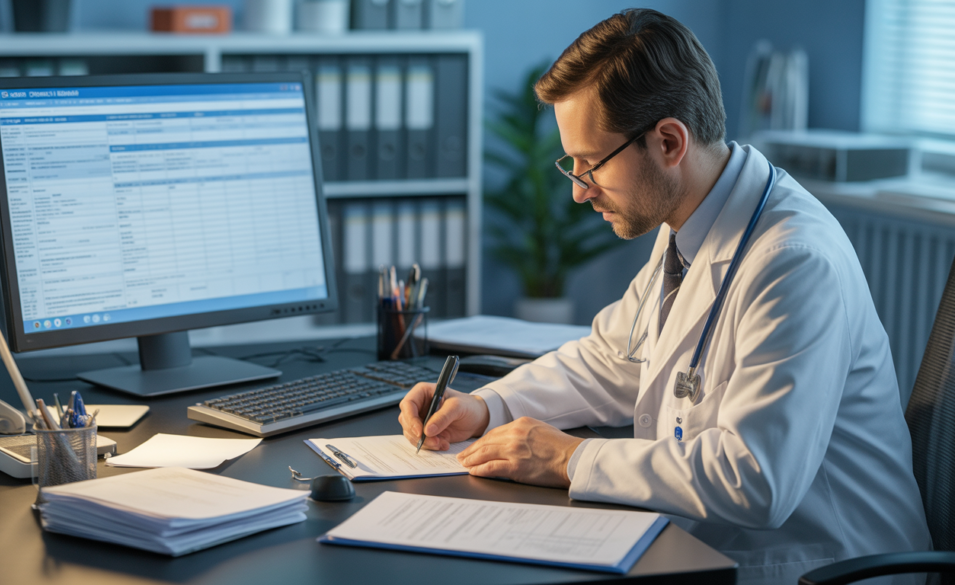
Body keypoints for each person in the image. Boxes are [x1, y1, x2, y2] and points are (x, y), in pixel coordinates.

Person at [398, 8, 931, 585]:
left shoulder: (793, 263)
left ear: (669, 141)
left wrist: (569, 458)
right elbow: (611, 360)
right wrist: (488, 407)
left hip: (825, 566)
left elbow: (755, 479)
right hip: (713, 552)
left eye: (590, 164)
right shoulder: (692, 223)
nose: (579, 192)